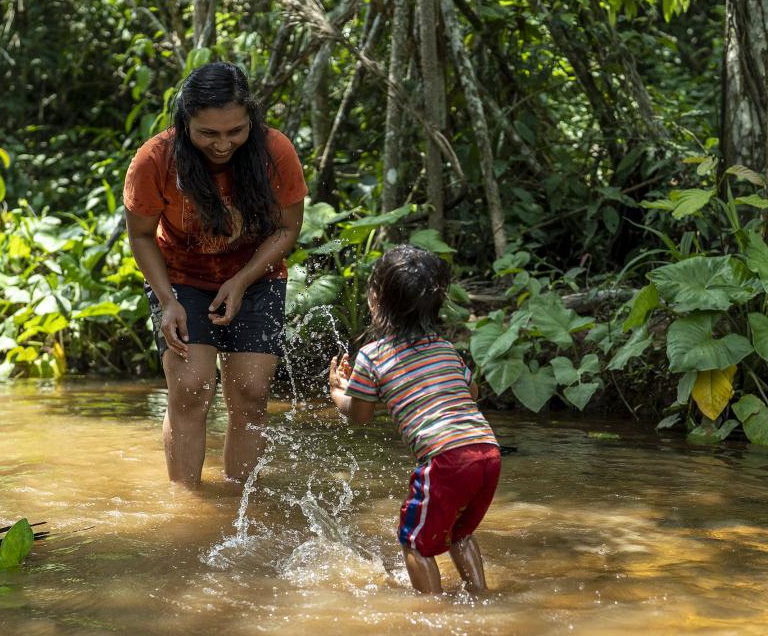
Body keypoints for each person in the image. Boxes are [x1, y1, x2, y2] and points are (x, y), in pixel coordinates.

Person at [123, 62, 307, 485]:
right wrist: (168, 301)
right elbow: (141, 237)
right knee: (190, 389)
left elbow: (288, 227)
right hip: (180, 279)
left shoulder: (275, 152)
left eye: (235, 131)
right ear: (185, 122)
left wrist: (241, 280)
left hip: (256, 277)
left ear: (250, 121)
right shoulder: (156, 158)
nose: (223, 144)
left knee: (251, 393)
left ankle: (239, 503)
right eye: (208, 133)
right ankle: (185, 507)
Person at [328, 245, 501, 594]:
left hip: (445, 459)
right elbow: (474, 392)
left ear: (376, 301)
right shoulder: (445, 348)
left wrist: (339, 391)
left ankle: (432, 614)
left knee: (414, 542)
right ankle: (482, 596)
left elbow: (359, 415)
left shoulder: (374, 356)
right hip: (487, 452)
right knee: (459, 532)